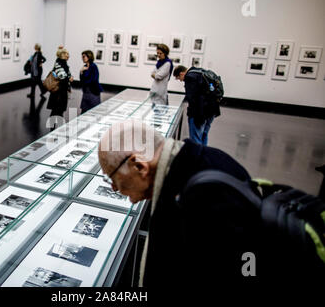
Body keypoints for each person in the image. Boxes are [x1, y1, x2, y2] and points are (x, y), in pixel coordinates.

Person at [98, 120, 262, 287]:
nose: (114, 188)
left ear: (139, 166)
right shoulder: (199, 162)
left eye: (111, 178)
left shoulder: (204, 198)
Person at [173, 65, 221, 146]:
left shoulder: (190, 77)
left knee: (195, 138)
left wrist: (193, 115)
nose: (180, 81)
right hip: (212, 110)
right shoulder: (200, 71)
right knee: (204, 135)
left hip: (199, 113)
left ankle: (197, 157)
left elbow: (192, 99)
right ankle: (203, 155)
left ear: (181, 73)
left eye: (178, 78)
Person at [47, 46, 73, 128]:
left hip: (60, 91)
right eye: (66, 54)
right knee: (56, 111)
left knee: (58, 111)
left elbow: (66, 75)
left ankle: (57, 128)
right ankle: (53, 129)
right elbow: (63, 77)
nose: (68, 55)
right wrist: (69, 78)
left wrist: (69, 78)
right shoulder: (60, 64)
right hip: (58, 92)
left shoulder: (62, 63)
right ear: (62, 55)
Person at [79, 50, 103, 114]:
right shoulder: (85, 67)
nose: (82, 58)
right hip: (86, 91)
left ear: (89, 57)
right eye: (82, 57)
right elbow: (81, 80)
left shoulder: (93, 66)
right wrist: (81, 72)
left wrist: (85, 81)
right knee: (84, 110)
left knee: (93, 111)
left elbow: (94, 79)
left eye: (84, 56)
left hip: (93, 91)